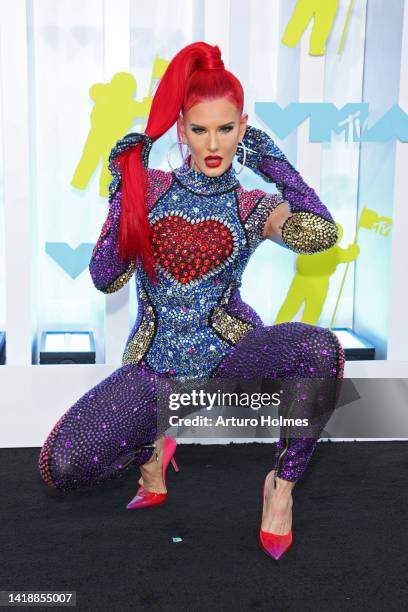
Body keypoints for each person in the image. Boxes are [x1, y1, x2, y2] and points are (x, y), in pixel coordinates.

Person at [38, 42, 344, 561]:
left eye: (226, 129)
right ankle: (152, 445)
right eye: (199, 129)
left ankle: (281, 492)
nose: (213, 143)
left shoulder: (252, 205)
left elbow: (320, 234)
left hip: (230, 360)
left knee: (321, 351)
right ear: (181, 130)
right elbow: (105, 278)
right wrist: (125, 196)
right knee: (61, 467)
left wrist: (274, 163)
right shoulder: (152, 190)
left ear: (242, 129)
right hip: (155, 367)